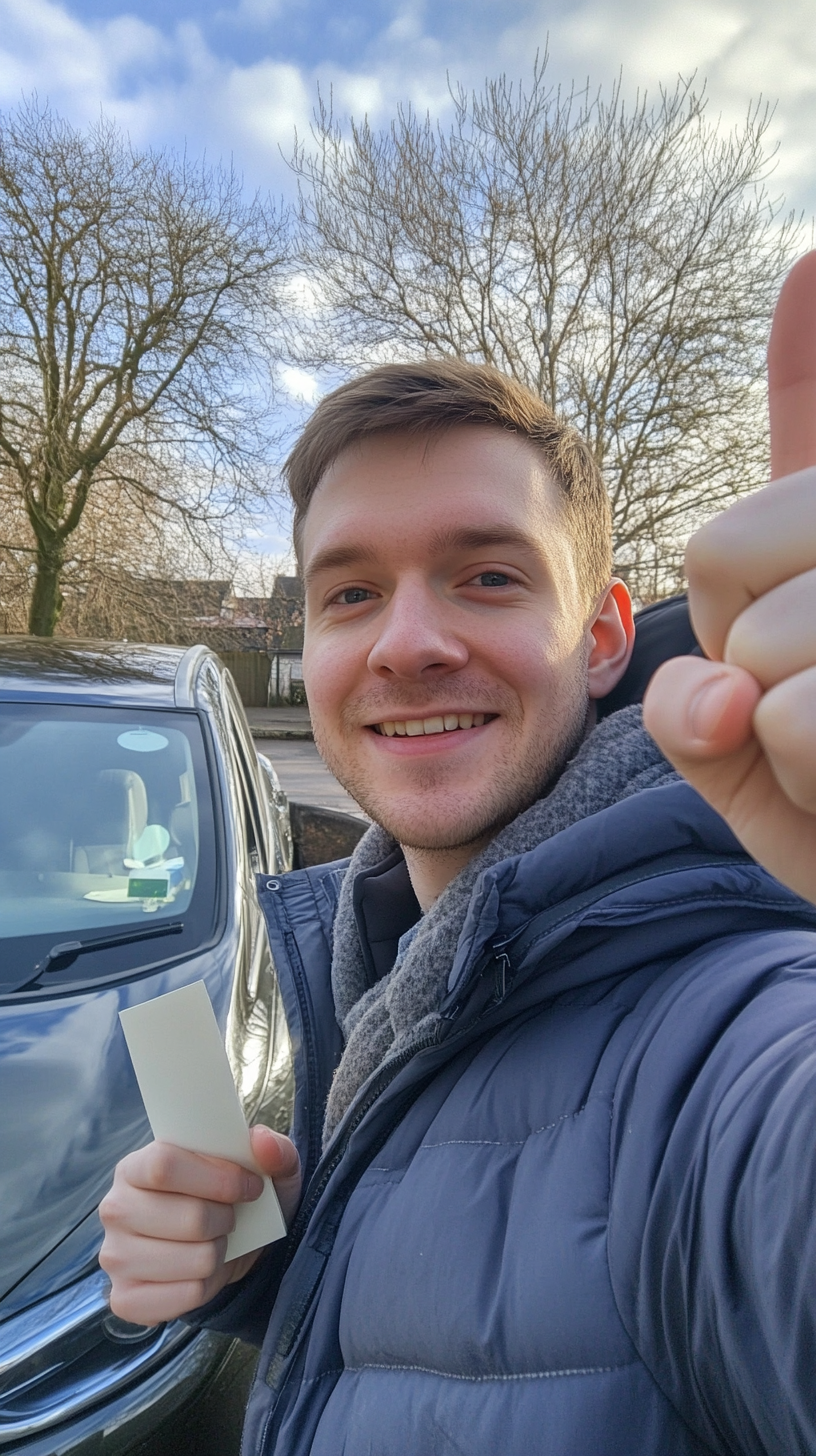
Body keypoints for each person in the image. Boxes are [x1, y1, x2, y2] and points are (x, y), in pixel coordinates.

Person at [99, 252, 816, 1454]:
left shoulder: (719, 1032)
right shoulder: (374, 972)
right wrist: (288, 1272)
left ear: (601, 639)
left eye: (486, 576)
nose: (409, 642)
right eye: (350, 594)